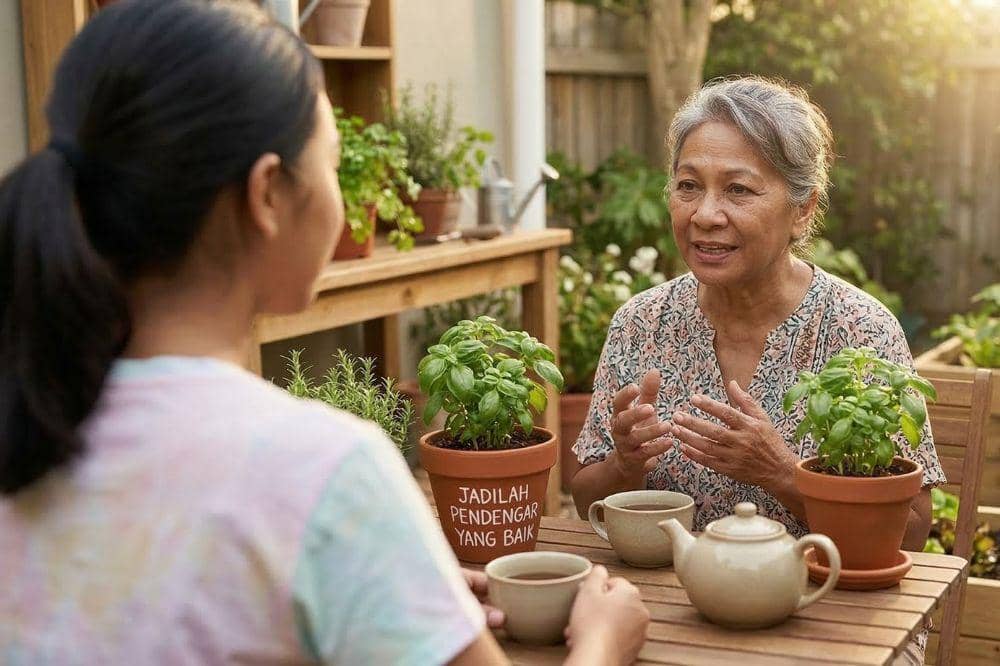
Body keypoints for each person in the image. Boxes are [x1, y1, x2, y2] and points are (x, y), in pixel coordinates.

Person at [0, 1, 648, 664]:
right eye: (335, 164)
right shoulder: (322, 472)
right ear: (268, 195)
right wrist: (603, 641)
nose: (344, 195)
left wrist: (378, 582)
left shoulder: (29, 426)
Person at [570, 76, 943, 665]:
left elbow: (913, 532)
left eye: (738, 190)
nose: (705, 215)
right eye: (688, 186)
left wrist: (783, 473)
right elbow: (584, 497)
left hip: (832, 621)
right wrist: (625, 461)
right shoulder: (641, 323)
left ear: (802, 210)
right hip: (674, 618)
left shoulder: (856, 331)